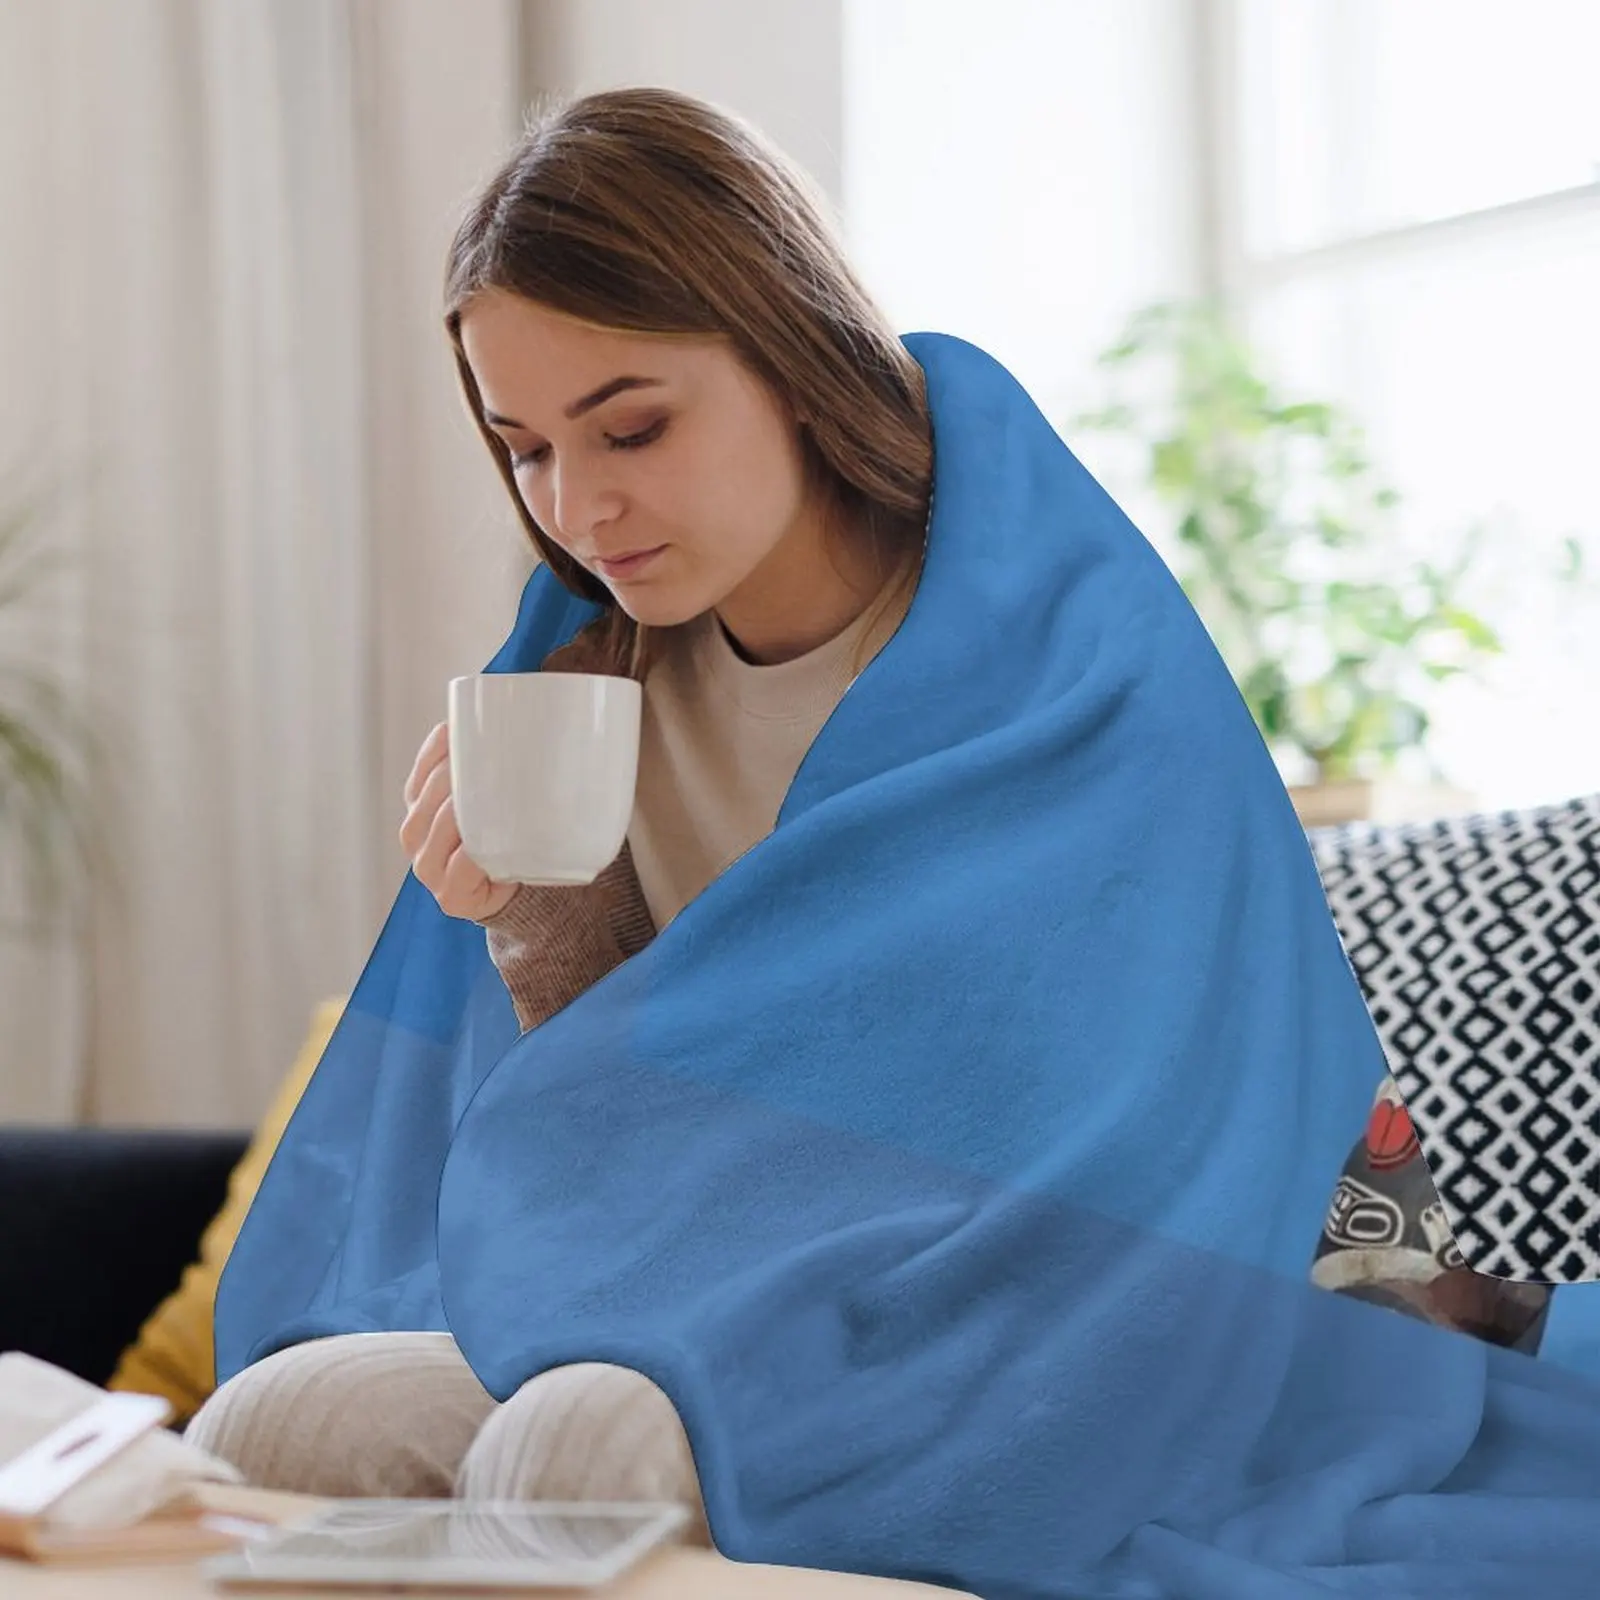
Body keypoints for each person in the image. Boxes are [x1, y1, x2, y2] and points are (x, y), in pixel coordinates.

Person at [193, 87, 1600, 1599]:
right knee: (276, 1419)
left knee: (581, 1448)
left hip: (1078, 1294)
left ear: (789, 356)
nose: (580, 505)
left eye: (635, 426)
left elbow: (1202, 1093)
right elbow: (640, 1128)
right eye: (524, 447)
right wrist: (529, 916)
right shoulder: (581, 675)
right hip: (712, 1292)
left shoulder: (1063, 643)